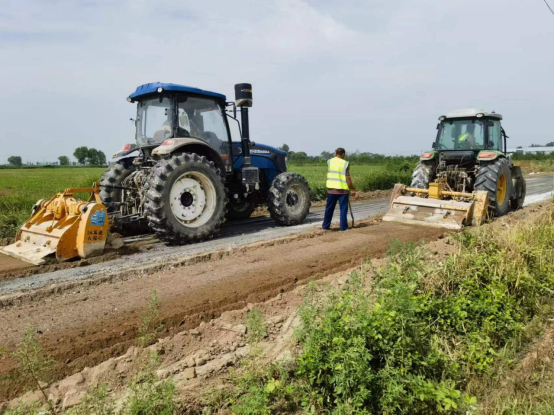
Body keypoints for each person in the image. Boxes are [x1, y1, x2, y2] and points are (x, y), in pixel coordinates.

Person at [322, 148, 356, 231]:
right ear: (343, 154)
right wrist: (352, 189)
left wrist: (335, 152)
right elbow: (348, 178)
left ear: (336, 153)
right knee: (343, 209)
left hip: (331, 189)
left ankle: (325, 227)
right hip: (342, 190)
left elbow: (334, 158)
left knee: (329, 209)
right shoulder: (345, 163)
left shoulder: (330, 161)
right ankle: (343, 228)